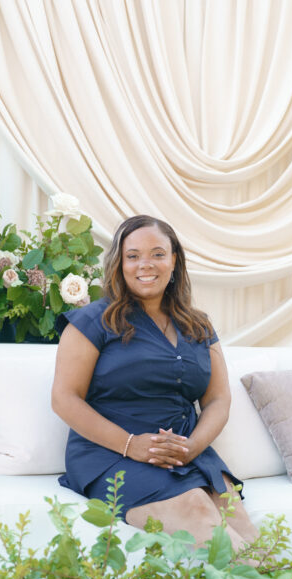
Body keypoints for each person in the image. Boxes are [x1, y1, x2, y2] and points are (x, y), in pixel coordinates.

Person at [51, 214, 258, 549]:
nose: (145, 264)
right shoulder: (93, 321)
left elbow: (218, 400)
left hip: (186, 454)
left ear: (174, 260)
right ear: (119, 264)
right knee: (196, 509)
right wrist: (131, 444)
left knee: (244, 528)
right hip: (110, 454)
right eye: (133, 256)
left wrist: (192, 447)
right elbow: (64, 398)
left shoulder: (198, 326)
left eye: (157, 254)